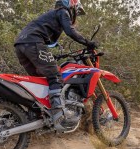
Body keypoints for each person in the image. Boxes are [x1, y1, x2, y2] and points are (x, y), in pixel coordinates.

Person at [14, 0, 97, 130]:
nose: (76, 14)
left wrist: (54, 53)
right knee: (55, 77)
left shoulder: (53, 15)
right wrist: (87, 43)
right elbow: (70, 31)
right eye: (77, 11)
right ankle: (58, 117)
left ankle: (38, 114)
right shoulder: (63, 12)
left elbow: (48, 40)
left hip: (20, 45)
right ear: (72, 5)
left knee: (41, 81)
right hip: (33, 42)